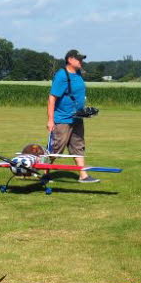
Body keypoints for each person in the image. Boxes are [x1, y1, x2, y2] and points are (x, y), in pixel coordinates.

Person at [47, 49, 98, 183]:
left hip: (77, 118)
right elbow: (52, 98)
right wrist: (50, 120)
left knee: (78, 146)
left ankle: (83, 175)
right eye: (79, 59)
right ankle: (44, 172)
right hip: (62, 119)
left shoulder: (79, 74)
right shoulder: (62, 76)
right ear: (70, 59)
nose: (81, 61)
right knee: (57, 148)